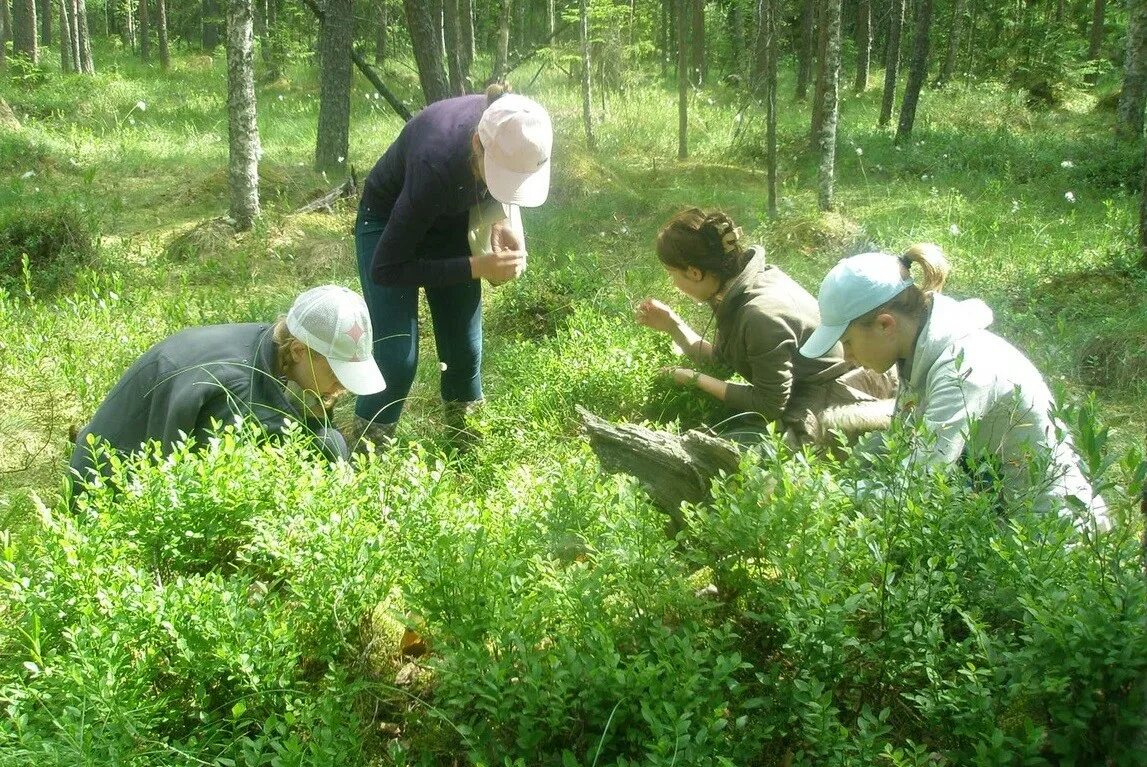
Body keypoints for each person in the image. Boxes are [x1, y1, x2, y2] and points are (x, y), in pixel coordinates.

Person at [798, 245, 1110, 529]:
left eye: (847, 342)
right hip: (1005, 522)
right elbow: (904, 443)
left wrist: (822, 496)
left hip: (1054, 540)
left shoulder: (963, 369)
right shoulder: (919, 355)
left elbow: (919, 482)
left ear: (885, 325)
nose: (848, 357)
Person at [352, 85, 553, 447]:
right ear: (476, 146)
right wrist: (476, 266)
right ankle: (366, 452)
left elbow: (499, 187)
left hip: (449, 220)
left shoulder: (516, 125)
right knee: (398, 358)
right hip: (387, 224)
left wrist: (503, 222)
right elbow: (388, 268)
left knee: (465, 349)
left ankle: (465, 448)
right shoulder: (437, 161)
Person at [69, 285, 386, 485]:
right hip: (107, 489)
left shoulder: (275, 346)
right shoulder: (234, 392)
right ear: (299, 351)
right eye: (338, 372)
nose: (344, 387)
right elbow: (214, 491)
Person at [635, 208, 895, 448]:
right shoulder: (747, 285)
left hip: (843, 398)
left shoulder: (758, 314)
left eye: (672, 273)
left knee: (733, 451)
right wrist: (673, 325)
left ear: (694, 272)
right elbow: (722, 360)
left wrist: (694, 379)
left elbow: (768, 404)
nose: (673, 283)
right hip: (816, 389)